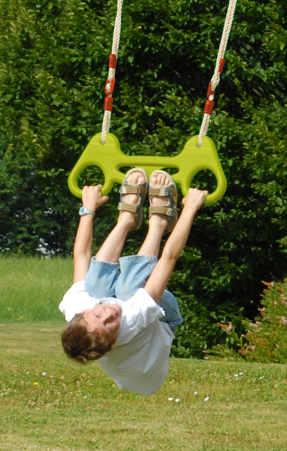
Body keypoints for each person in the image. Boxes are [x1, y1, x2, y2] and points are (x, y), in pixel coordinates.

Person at [59, 168, 207, 395]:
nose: (110, 314)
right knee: (128, 291)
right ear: (114, 340)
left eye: (98, 315)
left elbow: (81, 255)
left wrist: (88, 207)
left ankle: (127, 218)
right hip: (164, 321)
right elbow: (169, 257)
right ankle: (159, 221)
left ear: (82, 312)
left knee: (94, 286)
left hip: (132, 364)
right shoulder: (131, 322)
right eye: (108, 326)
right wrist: (190, 208)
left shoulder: (75, 306)